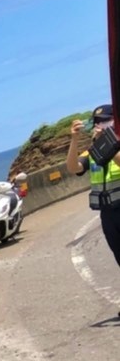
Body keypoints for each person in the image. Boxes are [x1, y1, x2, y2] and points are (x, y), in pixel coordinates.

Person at [68, 104, 120, 265]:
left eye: (105, 121)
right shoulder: (93, 150)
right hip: (108, 214)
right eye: (97, 122)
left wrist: (107, 143)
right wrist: (74, 140)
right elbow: (73, 167)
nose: (100, 125)